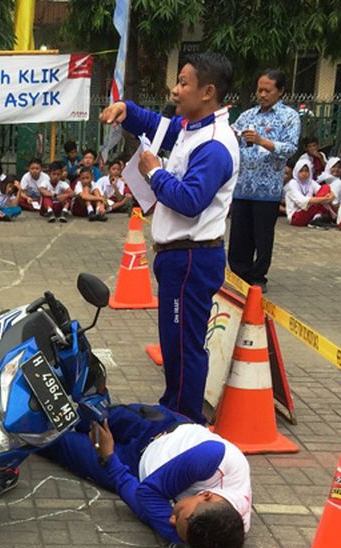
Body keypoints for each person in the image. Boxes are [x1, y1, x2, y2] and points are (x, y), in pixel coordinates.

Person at [99, 52, 240, 424]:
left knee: (184, 347)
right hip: (179, 257)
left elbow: (191, 200)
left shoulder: (214, 144)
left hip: (192, 257)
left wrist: (155, 173)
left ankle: (184, 421)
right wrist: (126, 109)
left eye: (183, 83)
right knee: (175, 345)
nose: (175, 91)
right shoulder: (192, 128)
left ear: (208, 91)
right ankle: (174, 410)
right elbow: (161, 125)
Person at [41, 402, 249, 548]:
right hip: (156, 428)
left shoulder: (209, 538)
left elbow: (144, 502)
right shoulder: (215, 458)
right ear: (206, 495)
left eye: (176, 527)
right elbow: (147, 495)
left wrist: (109, 457)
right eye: (179, 515)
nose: (170, 521)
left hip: (124, 466)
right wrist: (151, 507)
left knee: (50, 440)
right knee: (83, 415)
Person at [228, 68, 300, 288]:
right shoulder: (247, 115)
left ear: (280, 91)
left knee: (263, 236)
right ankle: (238, 274)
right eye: (259, 90)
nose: (262, 95)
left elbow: (290, 148)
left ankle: (258, 277)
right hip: (243, 186)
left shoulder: (289, 117)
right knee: (240, 233)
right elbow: (232, 135)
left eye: (267, 90)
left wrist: (262, 141)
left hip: (267, 189)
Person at [284, 154, 333, 227]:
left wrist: (331, 195)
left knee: (326, 187)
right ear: (296, 171)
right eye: (301, 171)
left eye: (307, 171)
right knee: (319, 203)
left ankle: (316, 219)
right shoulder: (292, 183)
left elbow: (323, 190)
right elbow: (302, 201)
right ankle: (318, 218)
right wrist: (324, 199)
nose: (304, 173)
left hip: (308, 212)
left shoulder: (310, 182)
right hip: (296, 216)